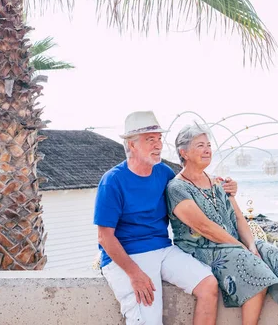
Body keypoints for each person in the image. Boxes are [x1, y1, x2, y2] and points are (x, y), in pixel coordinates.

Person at [166, 122, 278, 325]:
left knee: (270, 252)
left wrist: (250, 244)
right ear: (183, 152)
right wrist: (240, 247)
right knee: (251, 263)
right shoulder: (177, 188)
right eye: (200, 145)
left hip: (232, 243)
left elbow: (238, 217)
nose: (207, 150)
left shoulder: (218, 183)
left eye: (209, 145)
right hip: (203, 248)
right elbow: (205, 228)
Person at [94, 111, 238, 325]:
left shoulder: (164, 173)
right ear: (132, 145)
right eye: (150, 140)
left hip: (162, 249)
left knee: (208, 284)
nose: (158, 145)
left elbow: (194, 184)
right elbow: (105, 238)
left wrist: (226, 187)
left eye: (159, 139)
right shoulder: (113, 181)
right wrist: (134, 274)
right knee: (148, 321)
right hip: (127, 257)